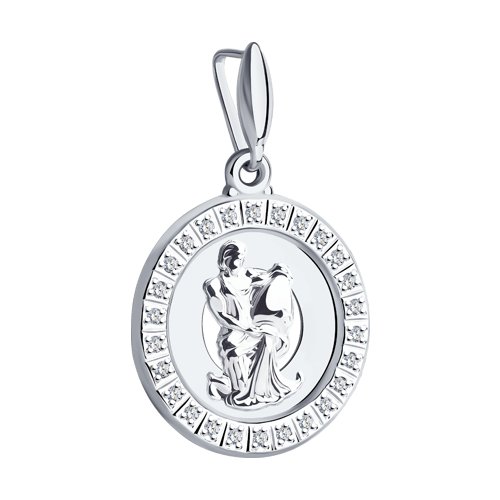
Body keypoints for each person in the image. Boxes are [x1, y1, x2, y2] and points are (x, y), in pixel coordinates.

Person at [203, 240, 301, 407]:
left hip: (254, 328)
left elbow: (267, 277)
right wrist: (246, 328)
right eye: (239, 257)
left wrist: (280, 272)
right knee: (234, 355)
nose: (242, 261)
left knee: (269, 337)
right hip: (233, 332)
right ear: (227, 258)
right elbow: (222, 316)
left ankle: (262, 389)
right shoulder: (214, 284)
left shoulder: (247, 274)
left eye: (243, 257)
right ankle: (229, 387)